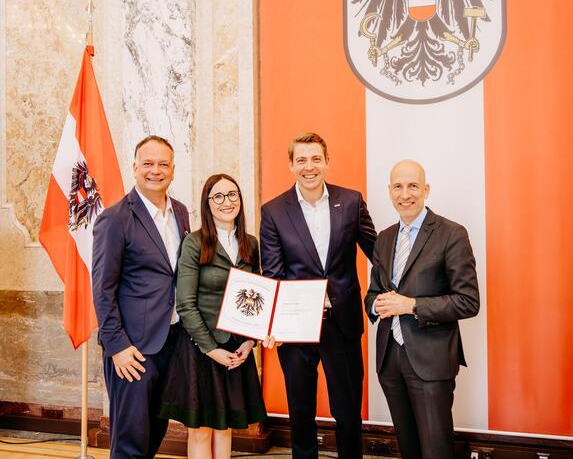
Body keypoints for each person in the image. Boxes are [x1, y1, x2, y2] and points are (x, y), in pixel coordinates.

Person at [260, 132, 377, 459]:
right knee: (300, 410)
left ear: (327, 162)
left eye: (315, 159)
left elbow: (377, 253)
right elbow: (272, 274)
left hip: (342, 323)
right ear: (291, 165)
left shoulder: (351, 201)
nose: (308, 167)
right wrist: (273, 323)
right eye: (301, 160)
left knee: (348, 409)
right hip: (295, 327)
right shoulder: (273, 211)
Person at [364, 160, 480, 459]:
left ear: (426, 189)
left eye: (413, 186)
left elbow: (468, 301)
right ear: (389, 192)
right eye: (398, 187)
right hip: (390, 359)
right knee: (408, 446)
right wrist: (375, 304)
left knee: (435, 449)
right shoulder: (385, 238)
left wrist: (411, 305)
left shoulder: (451, 234)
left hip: (431, 360)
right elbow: (373, 294)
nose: (406, 194)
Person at [92, 135, 191, 459]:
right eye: (148, 163)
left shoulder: (180, 212)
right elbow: (103, 289)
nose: (156, 171)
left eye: (163, 164)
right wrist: (117, 346)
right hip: (132, 350)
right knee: (130, 442)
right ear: (135, 168)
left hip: (171, 343)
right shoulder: (115, 218)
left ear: (173, 170)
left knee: (154, 435)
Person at [158, 173, 267, 459]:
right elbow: (185, 304)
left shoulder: (251, 244)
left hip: (237, 349)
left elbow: (256, 299)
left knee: (226, 426)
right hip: (201, 348)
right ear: (208, 204)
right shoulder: (195, 243)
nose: (226, 202)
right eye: (218, 196)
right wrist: (211, 349)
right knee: (202, 429)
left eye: (232, 194)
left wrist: (250, 342)